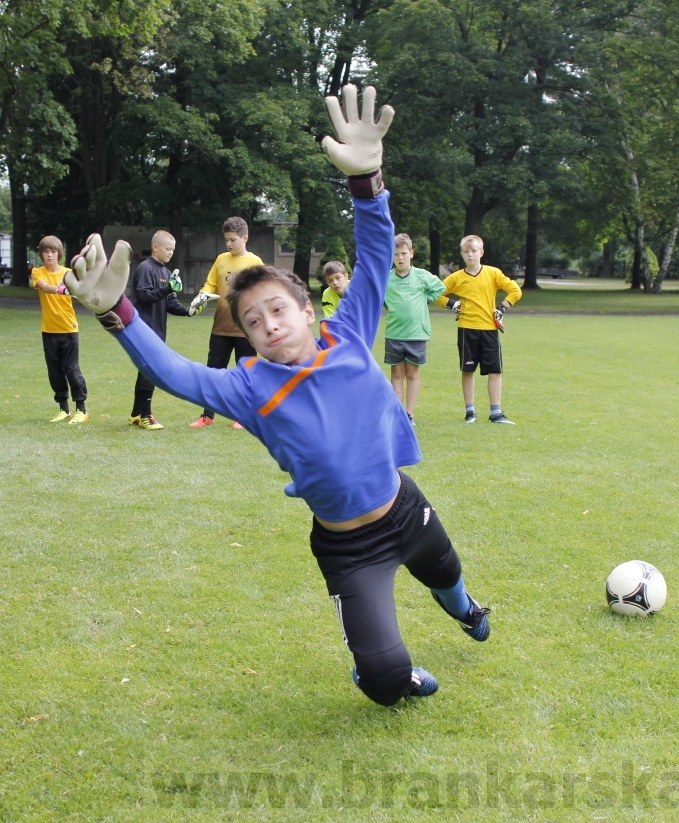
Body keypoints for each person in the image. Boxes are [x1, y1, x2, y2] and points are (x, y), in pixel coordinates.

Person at [65, 84, 490, 706]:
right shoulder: (248, 388)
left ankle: (468, 611)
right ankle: (389, 671)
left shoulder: (348, 336)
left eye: (277, 309)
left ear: (308, 311)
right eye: (254, 320)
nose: (268, 324)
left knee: (446, 575)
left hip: (403, 508)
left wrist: (368, 179)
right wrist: (118, 314)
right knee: (384, 684)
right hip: (348, 546)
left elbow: (374, 256)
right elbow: (173, 374)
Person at [436, 234, 522, 424]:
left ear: (481, 252)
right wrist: (451, 304)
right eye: (466, 251)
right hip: (467, 329)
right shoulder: (457, 277)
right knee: (468, 371)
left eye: (474, 251)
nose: (470, 255)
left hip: (489, 329)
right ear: (462, 254)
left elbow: (515, 290)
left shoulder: (493, 273)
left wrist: (502, 307)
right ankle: (470, 412)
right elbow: (435, 293)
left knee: (495, 371)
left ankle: (496, 413)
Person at [186, 217, 263, 428]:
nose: (229, 244)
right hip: (220, 328)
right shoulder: (221, 259)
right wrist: (202, 296)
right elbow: (210, 285)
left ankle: (243, 417)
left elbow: (263, 291)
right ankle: (207, 416)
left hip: (246, 331)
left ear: (244, 238)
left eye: (233, 240)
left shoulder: (255, 262)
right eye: (226, 240)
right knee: (212, 374)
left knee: (245, 376)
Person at [128, 230, 190, 430]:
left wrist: (190, 311)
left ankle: (135, 415)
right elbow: (145, 297)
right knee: (151, 371)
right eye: (168, 248)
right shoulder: (146, 268)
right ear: (155, 247)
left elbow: (170, 303)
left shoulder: (165, 272)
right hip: (144, 330)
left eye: (173, 249)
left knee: (145, 371)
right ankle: (146, 415)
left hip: (157, 331)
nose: (171, 252)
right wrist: (167, 289)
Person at [383, 234, 446, 425]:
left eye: (403, 253)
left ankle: (410, 414)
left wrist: (424, 299)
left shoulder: (422, 275)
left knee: (412, 374)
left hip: (416, 333)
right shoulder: (386, 278)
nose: (400, 258)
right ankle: (397, 413)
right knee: (396, 374)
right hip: (394, 333)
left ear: (411, 253)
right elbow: (379, 298)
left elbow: (440, 289)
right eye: (396, 255)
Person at [30, 235, 89, 424]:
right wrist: (62, 290)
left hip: (68, 328)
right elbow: (44, 287)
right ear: (41, 254)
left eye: (53, 252)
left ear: (59, 254)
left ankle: (82, 410)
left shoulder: (69, 273)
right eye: (46, 252)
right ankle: (64, 409)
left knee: (71, 369)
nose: (49, 255)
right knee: (55, 372)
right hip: (48, 330)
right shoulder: (37, 272)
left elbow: (83, 288)